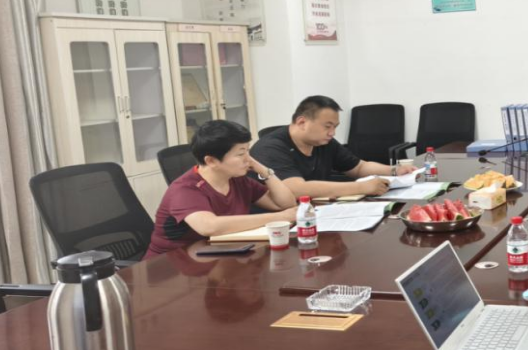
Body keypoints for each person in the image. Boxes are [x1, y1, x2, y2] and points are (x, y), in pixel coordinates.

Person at [148, 120, 298, 258]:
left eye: (248, 151)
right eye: (241, 154)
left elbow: (284, 204)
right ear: (211, 161)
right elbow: (209, 226)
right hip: (172, 265)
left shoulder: (237, 179)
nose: (248, 159)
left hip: (217, 256)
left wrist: (264, 171)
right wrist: (280, 217)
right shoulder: (185, 189)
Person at [250, 96, 418, 199]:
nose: (332, 133)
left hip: (316, 210)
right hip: (277, 224)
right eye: (327, 126)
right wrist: (361, 187)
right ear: (302, 122)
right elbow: (296, 189)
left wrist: (394, 170)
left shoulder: (323, 142)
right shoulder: (271, 148)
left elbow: (358, 167)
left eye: (335, 127)